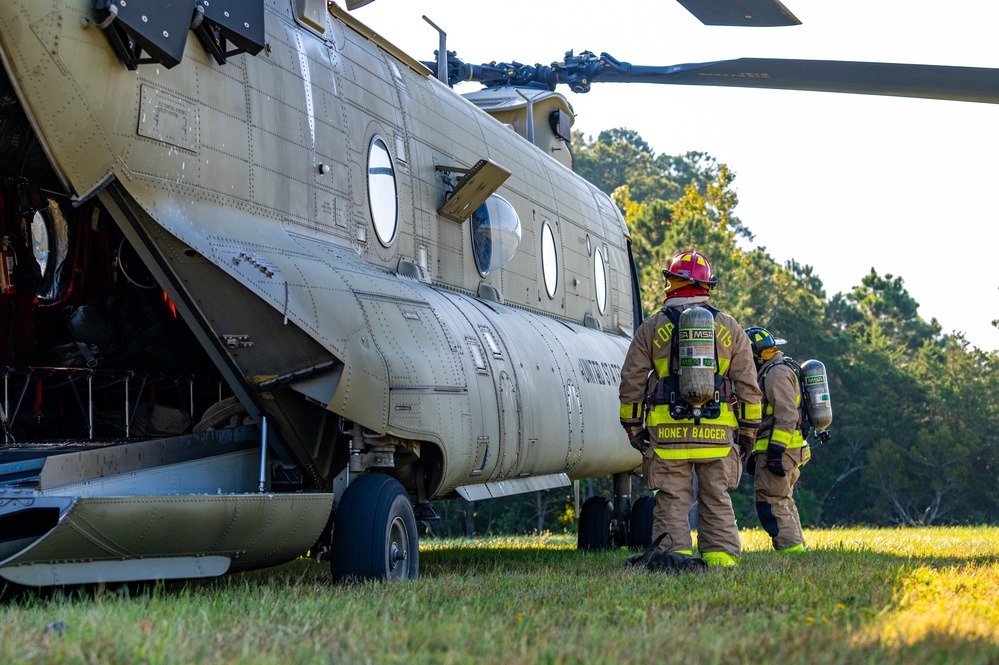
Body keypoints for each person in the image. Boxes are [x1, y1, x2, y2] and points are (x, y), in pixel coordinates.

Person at [619, 250, 762, 567]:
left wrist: (633, 428)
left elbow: (631, 380)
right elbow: (749, 386)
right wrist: (748, 433)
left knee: (671, 498)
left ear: (672, 282)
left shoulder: (652, 327)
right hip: (718, 436)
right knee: (716, 496)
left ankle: (675, 559)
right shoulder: (730, 327)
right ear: (706, 286)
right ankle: (721, 559)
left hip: (667, 435)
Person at [744, 326, 808, 553]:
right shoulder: (774, 369)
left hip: (782, 450)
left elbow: (787, 415)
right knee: (782, 500)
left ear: (757, 356)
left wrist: (774, 452)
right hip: (786, 450)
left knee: (772, 501)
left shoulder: (775, 374)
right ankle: (797, 549)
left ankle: (790, 552)